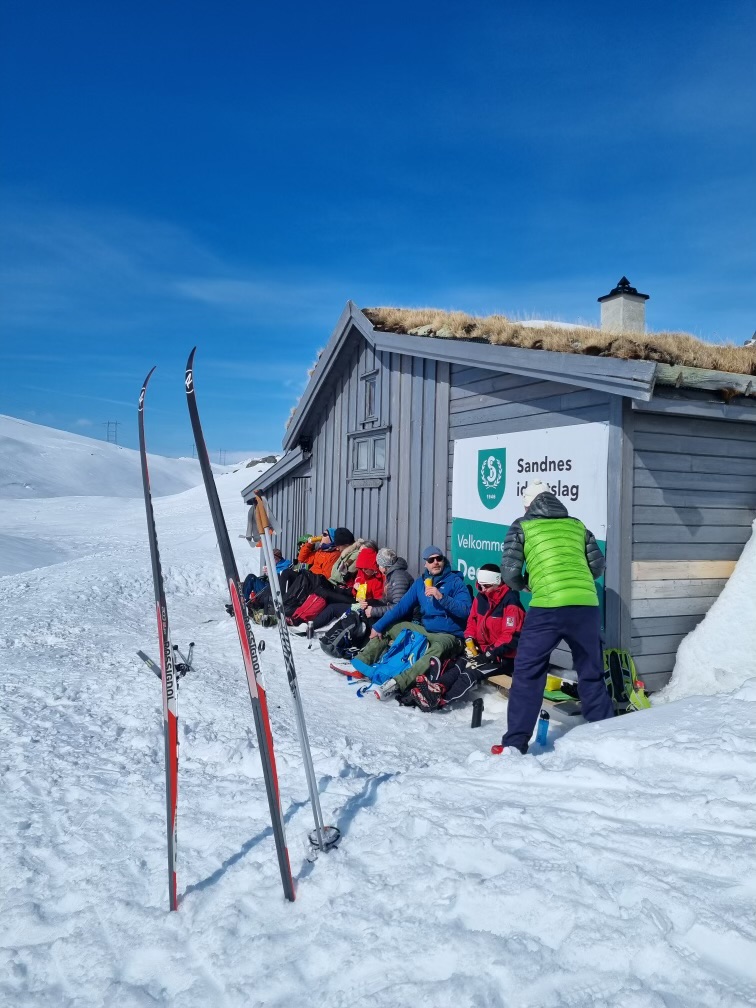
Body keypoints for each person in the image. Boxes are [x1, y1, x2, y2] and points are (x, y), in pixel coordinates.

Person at [493, 479, 614, 755]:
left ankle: (515, 744)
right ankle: (608, 736)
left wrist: (527, 583)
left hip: (547, 607)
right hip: (586, 606)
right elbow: (598, 566)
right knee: (591, 671)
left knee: (528, 673)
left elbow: (510, 573)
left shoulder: (523, 526)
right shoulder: (577, 525)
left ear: (528, 505)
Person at [351, 545, 471, 700]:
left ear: (443, 560)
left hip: (449, 635)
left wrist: (442, 597)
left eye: (438, 559)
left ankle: (398, 682)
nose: (436, 562)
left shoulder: (455, 582)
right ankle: (361, 664)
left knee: (438, 648)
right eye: (431, 560)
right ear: (425, 564)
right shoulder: (421, 583)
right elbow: (401, 607)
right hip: (427, 630)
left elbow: (466, 611)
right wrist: (378, 626)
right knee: (390, 626)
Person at [411, 563, 524, 710]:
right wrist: (470, 637)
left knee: (471, 672)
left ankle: (441, 700)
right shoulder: (481, 597)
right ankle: (437, 688)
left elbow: (510, 636)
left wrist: (489, 653)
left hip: (502, 657)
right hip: (482, 650)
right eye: (480, 586)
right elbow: (472, 620)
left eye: (486, 586)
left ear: (497, 582)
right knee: (460, 663)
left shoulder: (510, 601)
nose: (482, 590)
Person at [291, 546, 385, 634]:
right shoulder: (362, 573)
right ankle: (305, 623)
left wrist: (364, 602)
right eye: (362, 568)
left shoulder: (380, 579)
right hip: (356, 599)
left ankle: (307, 627)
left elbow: (379, 601)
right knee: (324, 597)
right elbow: (357, 586)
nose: (364, 571)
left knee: (332, 606)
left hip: (363, 607)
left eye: (366, 568)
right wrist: (356, 589)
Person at [361, 548, 415, 623]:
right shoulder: (392, 575)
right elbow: (386, 600)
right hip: (399, 612)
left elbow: (399, 607)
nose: (378, 567)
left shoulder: (399, 577)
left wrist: (374, 611)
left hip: (408, 618)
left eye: (379, 564)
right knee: (368, 606)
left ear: (384, 566)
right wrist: (367, 603)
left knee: (370, 617)